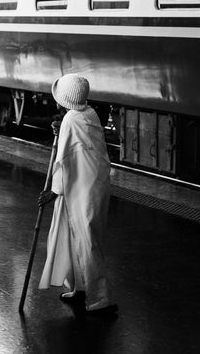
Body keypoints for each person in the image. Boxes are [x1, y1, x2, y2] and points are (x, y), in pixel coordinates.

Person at [38, 73, 117, 316]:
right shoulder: (88, 113)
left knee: (87, 240)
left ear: (64, 100)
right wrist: (60, 126)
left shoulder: (70, 121)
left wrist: (53, 191)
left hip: (83, 187)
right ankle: (80, 289)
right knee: (80, 237)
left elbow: (63, 161)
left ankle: (100, 300)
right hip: (93, 184)